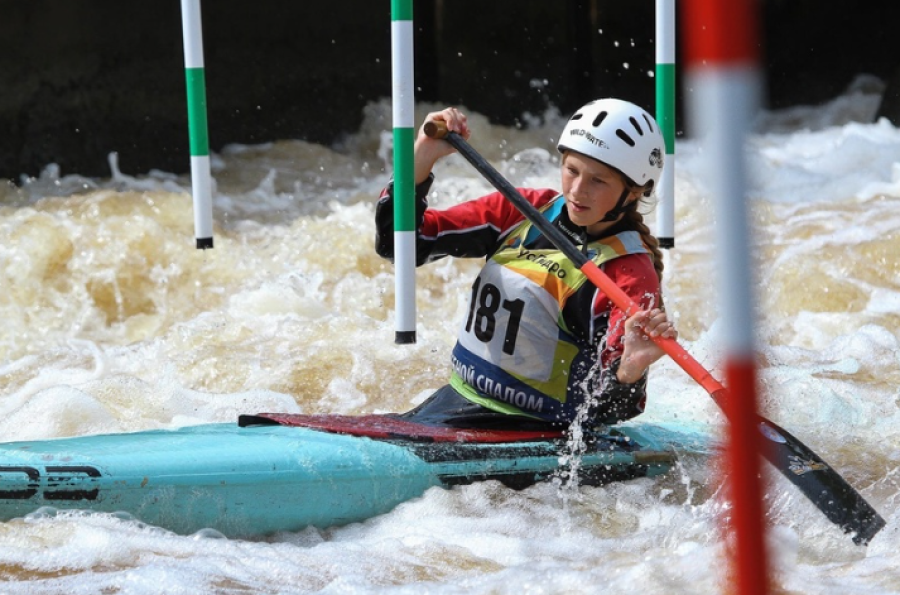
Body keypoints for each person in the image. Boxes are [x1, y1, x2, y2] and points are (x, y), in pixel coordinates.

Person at [375, 98, 678, 430]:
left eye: (598, 181)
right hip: (459, 403)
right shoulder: (524, 210)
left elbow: (608, 413)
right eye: (572, 170)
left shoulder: (628, 274)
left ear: (633, 192)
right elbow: (401, 244)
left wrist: (629, 371)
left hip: (531, 429)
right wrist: (423, 156)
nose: (578, 191)